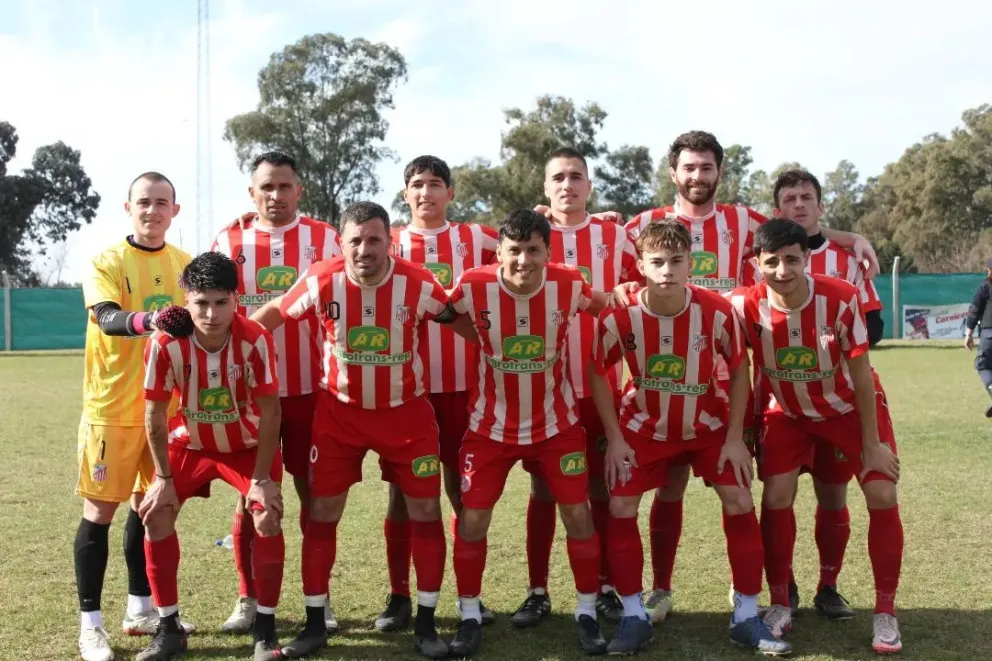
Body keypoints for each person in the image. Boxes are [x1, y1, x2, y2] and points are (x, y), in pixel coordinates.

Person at [622, 131, 879, 621]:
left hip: (734, 381)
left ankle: (748, 593)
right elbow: (592, 232)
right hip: (667, 381)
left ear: (720, 171)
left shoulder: (742, 221)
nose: (698, 177)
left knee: (739, 489)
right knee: (670, 485)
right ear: (674, 173)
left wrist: (849, 237)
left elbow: (801, 232)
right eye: (689, 168)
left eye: (707, 168)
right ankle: (661, 588)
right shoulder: (644, 225)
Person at [251, 201, 466, 659]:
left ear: (390, 241)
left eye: (374, 239)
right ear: (341, 243)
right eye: (356, 240)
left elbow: (455, 318)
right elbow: (276, 311)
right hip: (339, 416)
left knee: (425, 511)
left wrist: (500, 345)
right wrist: (236, 337)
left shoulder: (418, 282)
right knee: (323, 512)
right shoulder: (322, 278)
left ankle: (425, 625)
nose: (364, 249)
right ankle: (314, 623)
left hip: (407, 416)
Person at [589, 220, 791, 656]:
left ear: (690, 264)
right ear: (640, 265)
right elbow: (596, 373)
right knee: (622, 504)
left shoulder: (716, 309)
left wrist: (736, 438)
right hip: (643, 427)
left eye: (676, 261)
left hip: (709, 425)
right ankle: (632, 615)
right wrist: (614, 437)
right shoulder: (620, 315)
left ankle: (745, 617)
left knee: (739, 500)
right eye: (657, 262)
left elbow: (739, 370)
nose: (666, 271)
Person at [445, 210, 616, 657]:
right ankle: (468, 616)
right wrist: (479, 335)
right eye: (514, 251)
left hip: (556, 425)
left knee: (578, 515)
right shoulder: (472, 284)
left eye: (533, 250)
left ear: (548, 252)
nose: (523, 260)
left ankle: (586, 612)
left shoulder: (569, 283)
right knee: (474, 518)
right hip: (489, 428)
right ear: (498, 253)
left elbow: (610, 309)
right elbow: (440, 311)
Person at [729, 219, 904, 655]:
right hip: (788, 415)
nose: (783, 270)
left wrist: (872, 444)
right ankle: (780, 602)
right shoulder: (745, 306)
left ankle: (885, 612)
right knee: (775, 497)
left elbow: (862, 377)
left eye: (792, 259)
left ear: (807, 258)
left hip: (847, 410)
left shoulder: (841, 298)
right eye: (772, 262)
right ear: (757, 264)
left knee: (881, 494)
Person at [211, 151, 342, 634]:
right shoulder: (229, 240)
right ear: (252, 193)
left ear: (298, 190)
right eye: (266, 187)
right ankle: (248, 598)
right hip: (248, 394)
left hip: (312, 389)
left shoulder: (326, 238)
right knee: (252, 494)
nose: (275, 195)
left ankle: (318, 597)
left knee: (315, 495)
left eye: (284, 186)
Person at [137, 252, 285, 661]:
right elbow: (153, 412)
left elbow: (271, 411)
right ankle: (169, 628)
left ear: (235, 300)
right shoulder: (165, 342)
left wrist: (260, 479)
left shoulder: (256, 338)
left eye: (221, 302)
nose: (211, 312)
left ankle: (266, 629)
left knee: (267, 513)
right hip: (192, 445)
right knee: (156, 512)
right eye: (201, 302)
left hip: (248, 446)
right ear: (186, 301)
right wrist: (163, 479)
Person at [515, 148, 639, 628]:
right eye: (558, 178)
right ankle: (538, 589)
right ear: (545, 188)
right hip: (543, 391)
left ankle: (605, 586)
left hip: (601, 387)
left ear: (589, 186)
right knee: (544, 490)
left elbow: (637, 291)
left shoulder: (615, 234)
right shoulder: (527, 234)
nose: (567, 185)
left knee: (600, 487)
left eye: (576, 177)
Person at [75, 172, 194, 661]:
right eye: (143, 202)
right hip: (112, 410)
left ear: (174, 210)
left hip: (164, 411)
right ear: (128, 208)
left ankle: (140, 609)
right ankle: (90, 626)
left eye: (161, 203)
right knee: (99, 514)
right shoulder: (106, 261)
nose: (152, 210)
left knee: (149, 510)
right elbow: (104, 317)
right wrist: (150, 320)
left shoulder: (185, 265)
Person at [380, 155, 499, 630]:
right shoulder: (385, 241)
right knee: (401, 495)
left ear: (450, 192)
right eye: (416, 185)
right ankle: (399, 596)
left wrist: (569, 217)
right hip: (407, 392)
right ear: (404, 194)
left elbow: (528, 243)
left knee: (462, 492)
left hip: (467, 389)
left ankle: (470, 597)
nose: (425, 192)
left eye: (434, 184)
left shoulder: (475, 238)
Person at [769, 169, 886, 619]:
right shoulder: (762, 253)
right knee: (776, 493)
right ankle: (784, 587)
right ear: (778, 208)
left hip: (839, 396)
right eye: (790, 198)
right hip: (782, 400)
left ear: (820, 203)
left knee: (832, 493)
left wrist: (832, 335)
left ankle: (828, 584)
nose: (799, 204)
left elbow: (872, 326)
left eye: (807, 197)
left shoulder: (846, 256)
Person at [964, 258, 992, 417]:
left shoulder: (985, 287)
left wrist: (968, 333)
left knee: (983, 366)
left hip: (989, 333)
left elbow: (974, 310)